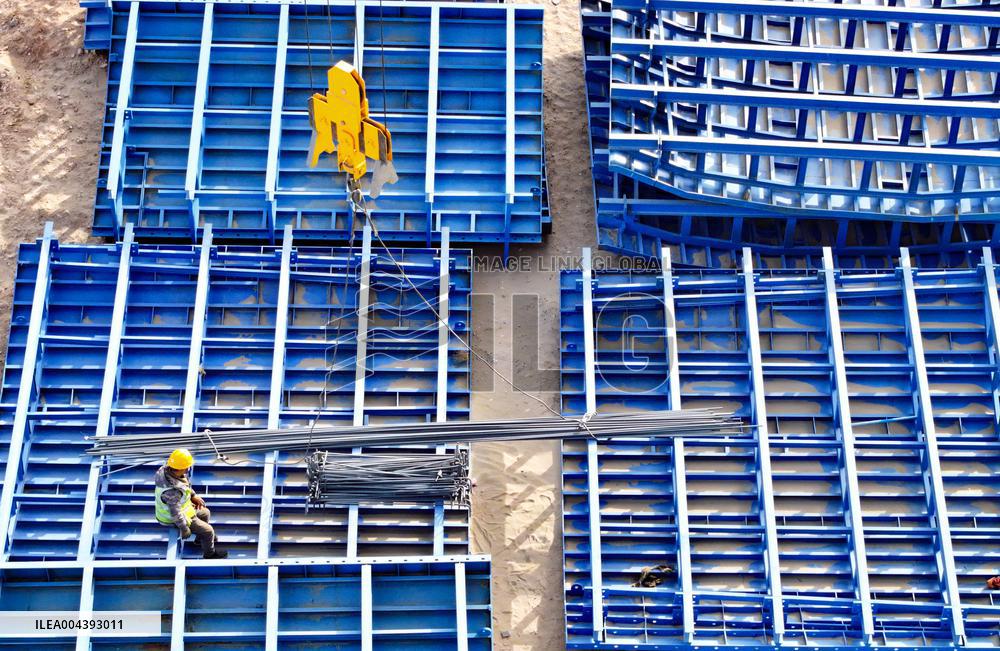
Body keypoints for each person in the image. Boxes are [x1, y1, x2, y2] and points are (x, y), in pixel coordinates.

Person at [154, 448, 227, 559]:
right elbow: (176, 514)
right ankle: (210, 554)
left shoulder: (170, 472)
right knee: (209, 531)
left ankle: (199, 539)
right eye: (187, 467)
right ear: (180, 468)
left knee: (205, 512)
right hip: (173, 518)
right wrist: (184, 528)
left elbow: (184, 485)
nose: (188, 469)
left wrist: (193, 496)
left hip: (183, 510)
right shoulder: (171, 492)